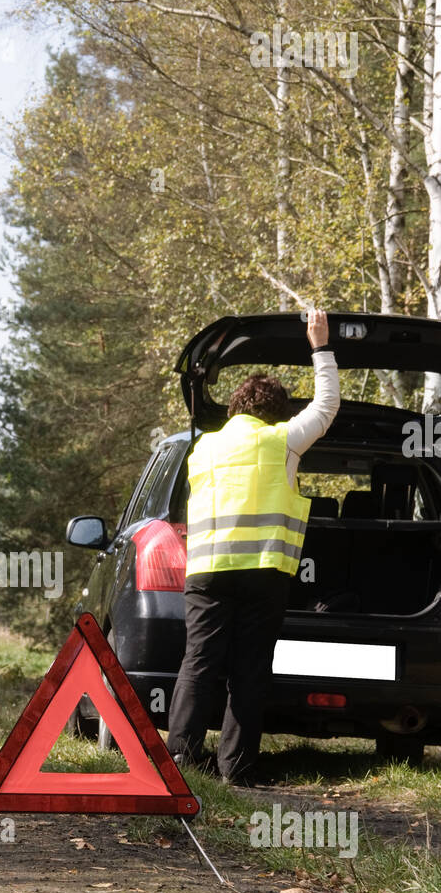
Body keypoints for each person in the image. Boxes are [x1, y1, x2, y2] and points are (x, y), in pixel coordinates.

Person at [166, 307, 340, 785]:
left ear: (234, 408)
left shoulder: (203, 448)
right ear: (276, 412)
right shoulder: (280, 441)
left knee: (198, 662)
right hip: (262, 572)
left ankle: (177, 760)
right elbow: (326, 407)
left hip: (205, 573)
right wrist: (320, 346)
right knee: (248, 670)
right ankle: (236, 770)